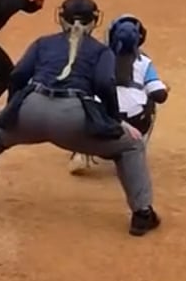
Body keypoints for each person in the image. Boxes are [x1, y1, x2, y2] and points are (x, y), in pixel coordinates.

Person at [0, 0, 163, 237]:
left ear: (61, 18)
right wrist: (115, 123)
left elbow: (18, 76)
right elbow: (105, 85)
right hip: (74, 118)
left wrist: (10, 110)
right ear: (95, 21)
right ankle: (142, 215)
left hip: (31, 109)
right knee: (131, 146)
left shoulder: (43, 42)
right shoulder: (101, 51)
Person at [69, 13, 168, 175]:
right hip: (133, 127)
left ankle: (80, 152)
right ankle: (135, 151)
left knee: (83, 98)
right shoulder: (144, 62)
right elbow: (159, 95)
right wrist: (163, 88)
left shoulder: (97, 57)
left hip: (101, 128)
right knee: (149, 100)